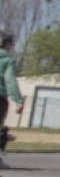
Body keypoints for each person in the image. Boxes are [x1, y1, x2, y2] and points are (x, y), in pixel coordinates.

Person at [0, 32, 23, 169]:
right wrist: (18, 100)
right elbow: (10, 81)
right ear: (6, 44)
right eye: (11, 43)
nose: (13, 46)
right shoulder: (8, 59)